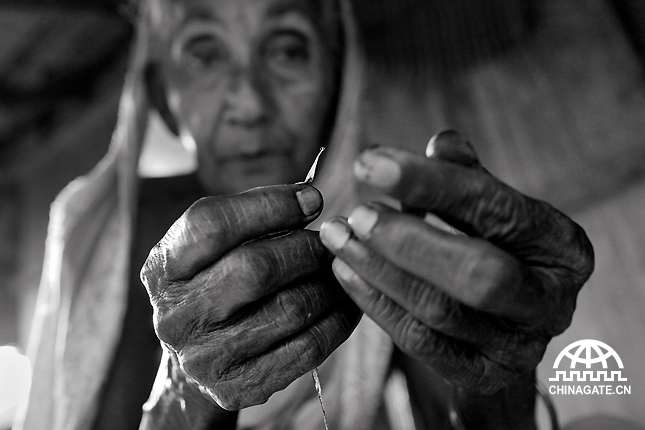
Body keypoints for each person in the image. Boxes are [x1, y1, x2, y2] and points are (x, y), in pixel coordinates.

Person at [15, 0, 596, 429]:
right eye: (204, 52)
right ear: (166, 98)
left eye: (288, 48)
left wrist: (502, 378)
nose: (249, 103)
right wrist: (183, 397)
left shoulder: (379, 240)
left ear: (339, 81)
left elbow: (453, 414)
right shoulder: (99, 241)